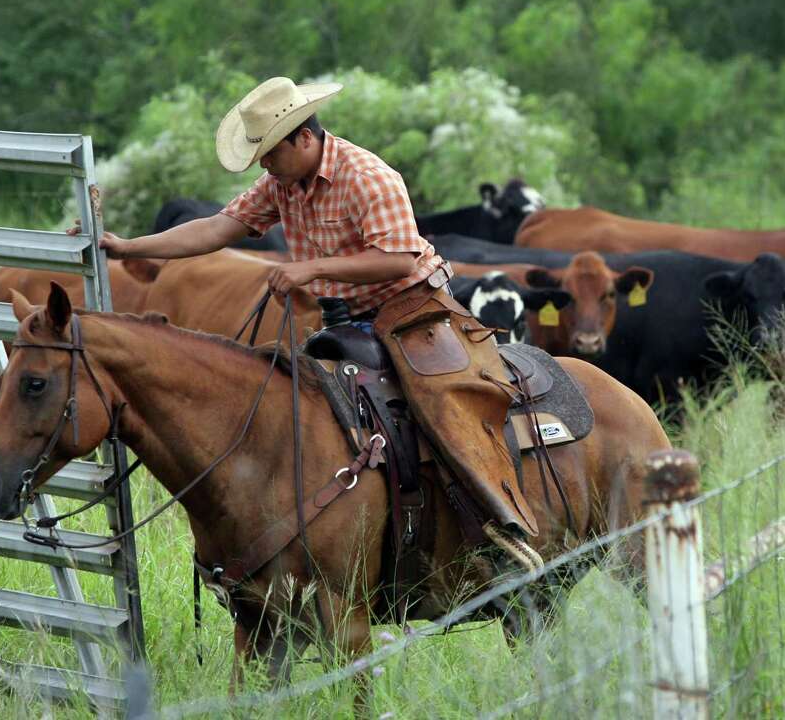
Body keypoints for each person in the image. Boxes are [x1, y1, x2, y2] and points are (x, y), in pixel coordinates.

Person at [79, 76, 542, 572]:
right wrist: (129, 247)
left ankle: (500, 523)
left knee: (440, 406)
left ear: (303, 137)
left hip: (413, 308)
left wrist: (311, 269)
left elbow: (399, 260)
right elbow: (217, 227)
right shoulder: (283, 182)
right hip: (345, 317)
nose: (265, 165)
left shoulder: (366, 176)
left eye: (270, 153)